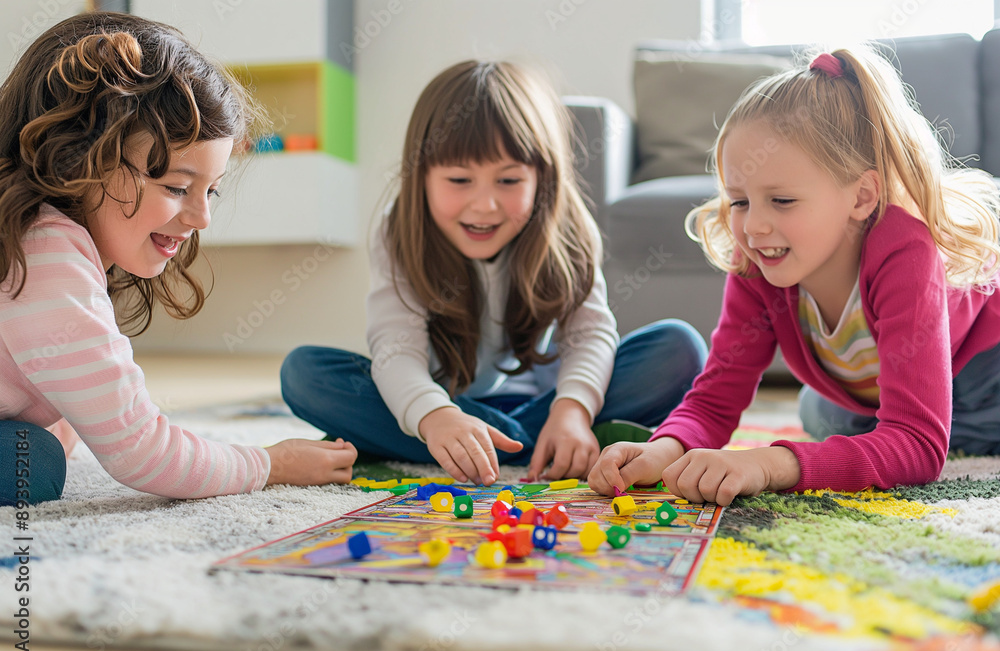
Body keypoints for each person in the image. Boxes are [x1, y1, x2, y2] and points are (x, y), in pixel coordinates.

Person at [589, 46, 1000, 506]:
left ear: (862, 197)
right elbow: (715, 397)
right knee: (821, 416)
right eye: (739, 201)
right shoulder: (758, 258)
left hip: (986, 376)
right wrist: (662, 449)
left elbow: (918, 445)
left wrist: (766, 463)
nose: (753, 226)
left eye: (781, 201)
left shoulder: (905, 250)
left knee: (847, 432)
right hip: (875, 398)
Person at [281, 60, 706, 486]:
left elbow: (589, 335)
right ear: (421, 177)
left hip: (544, 401)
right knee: (305, 374)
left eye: (508, 180)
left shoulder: (569, 228)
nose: (485, 205)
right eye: (460, 179)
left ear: (542, 178)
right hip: (443, 400)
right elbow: (396, 349)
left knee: (679, 350)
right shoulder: (398, 230)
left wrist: (572, 410)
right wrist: (437, 415)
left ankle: (531, 437)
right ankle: (502, 440)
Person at [0, 12, 356, 506]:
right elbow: (141, 451)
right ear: (76, 159)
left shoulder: (41, 239)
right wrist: (273, 464)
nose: (202, 218)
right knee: (30, 461)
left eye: (211, 190)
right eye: (177, 187)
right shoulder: (45, 254)